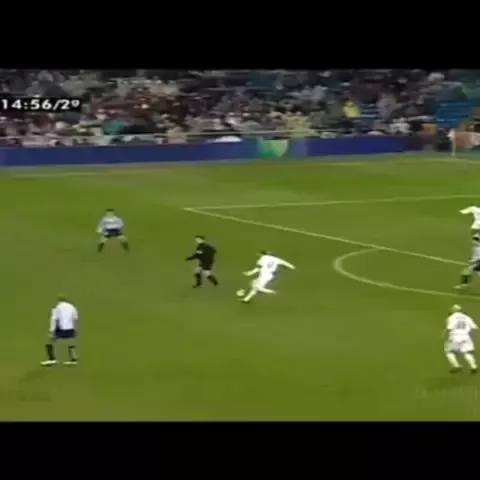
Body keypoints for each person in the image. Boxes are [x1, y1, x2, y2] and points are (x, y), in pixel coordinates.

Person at [41, 295, 79, 366]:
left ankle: (52, 359)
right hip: (71, 328)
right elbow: (75, 317)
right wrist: (74, 328)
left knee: (49, 341)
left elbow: (54, 319)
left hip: (61, 328)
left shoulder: (57, 308)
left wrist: (52, 331)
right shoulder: (72, 307)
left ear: (59, 301)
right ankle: (73, 359)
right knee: (70, 341)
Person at [445, 304, 478, 373]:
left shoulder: (452, 317)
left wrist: (444, 333)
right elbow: (475, 327)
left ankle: (456, 366)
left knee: (449, 352)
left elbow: (449, 328)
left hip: (455, 336)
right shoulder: (467, 317)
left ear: (454, 310)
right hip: (466, 336)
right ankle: (474, 367)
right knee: (467, 352)